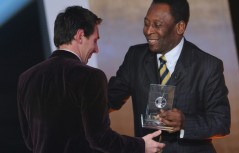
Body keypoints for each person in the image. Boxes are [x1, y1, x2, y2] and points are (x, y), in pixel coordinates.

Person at [17, 5, 165, 153]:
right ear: (80, 35)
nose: (96, 49)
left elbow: (31, 140)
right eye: (95, 40)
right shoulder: (90, 77)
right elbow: (101, 139)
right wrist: (140, 145)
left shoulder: (26, 78)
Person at [108, 0, 231, 152]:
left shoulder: (208, 66)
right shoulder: (135, 57)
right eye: (146, 23)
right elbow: (110, 99)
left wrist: (185, 123)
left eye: (157, 25)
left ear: (180, 27)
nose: (148, 31)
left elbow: (221, 122)